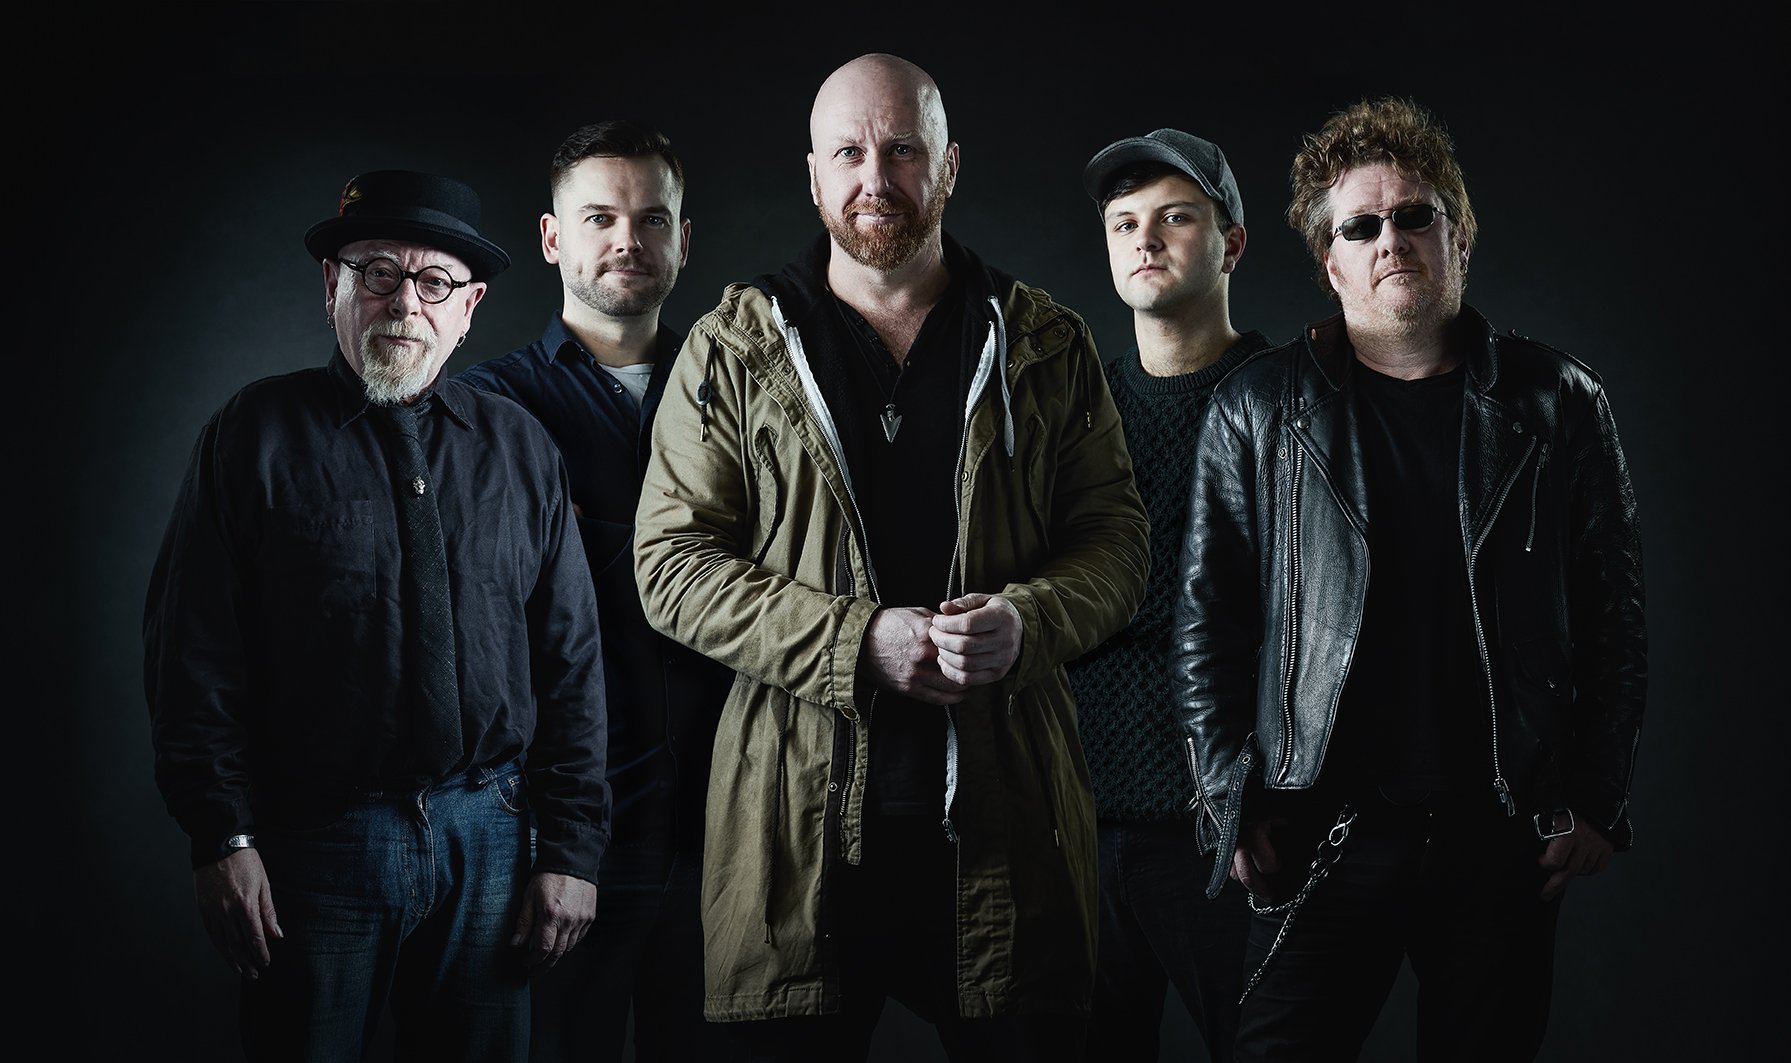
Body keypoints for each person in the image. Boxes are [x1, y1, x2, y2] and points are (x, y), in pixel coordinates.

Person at [632, 52, 1149, 1062]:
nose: (877, 178)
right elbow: (671, 564)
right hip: (795, 830)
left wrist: (1030, 620)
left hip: (1009, 822)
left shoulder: (1046, 340)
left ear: (949, 167)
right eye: (851, 153)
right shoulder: (734, 348)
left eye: (903, 149)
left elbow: (1119, 544)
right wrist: (858, 640)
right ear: (815, 176)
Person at [1170, 97, 1647, 1060]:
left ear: (1458, 234)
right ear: (1330, 260)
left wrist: (1597, 796)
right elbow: (1205, 625)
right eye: (1361, 224)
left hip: (1499, 837)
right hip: (1319, 831)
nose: (1391, 239)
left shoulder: (1558, 403)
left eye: (1414, 214)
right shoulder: (1257, 410)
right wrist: (1227, 800)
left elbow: (1614, 615)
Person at [143, 170, 610, 1061]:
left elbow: (572, 663)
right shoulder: (254, 435)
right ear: (334, 287)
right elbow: (191, 654)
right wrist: (221, 833)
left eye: (433, 282)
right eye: (377, 273)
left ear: (468, 307)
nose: (405, 303)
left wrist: (574, 849)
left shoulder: (520, 450)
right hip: (315, 848)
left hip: (494, 841)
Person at [458, 120, 739, 1063]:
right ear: (553, 239)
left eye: (652, 217)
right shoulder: (489, 407)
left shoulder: (736, 399)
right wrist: (690, 557)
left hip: (722, 830)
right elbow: (494, 607)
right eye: (600, 217)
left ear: (683, 239)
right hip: (560, 839)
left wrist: (592, 542)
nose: (628, 238)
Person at [1067, 128, 1267, 1062]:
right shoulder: (1079, 414)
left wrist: (1266, 797)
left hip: (1230, 822)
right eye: (1123, 223)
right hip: (1084, 821)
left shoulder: (1288, 405)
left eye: (1174, 218)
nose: (1144, 239)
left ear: (1229, 243)